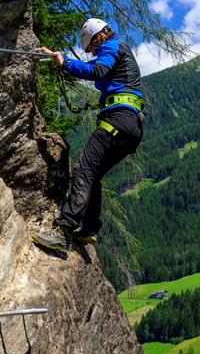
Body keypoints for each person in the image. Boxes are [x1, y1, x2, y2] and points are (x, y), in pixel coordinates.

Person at [32, 18, 145, 252]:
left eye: (92, 47)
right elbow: (103, 73)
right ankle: (90, 228)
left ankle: (63, 231)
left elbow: (96, 70)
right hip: (132, 127)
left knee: (84, 170)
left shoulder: (112, 46)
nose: (93, 52)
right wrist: (56, 56)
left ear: (98, 36)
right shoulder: (122, 54)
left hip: (116, 120)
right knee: (93, 175)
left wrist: (65, 63)